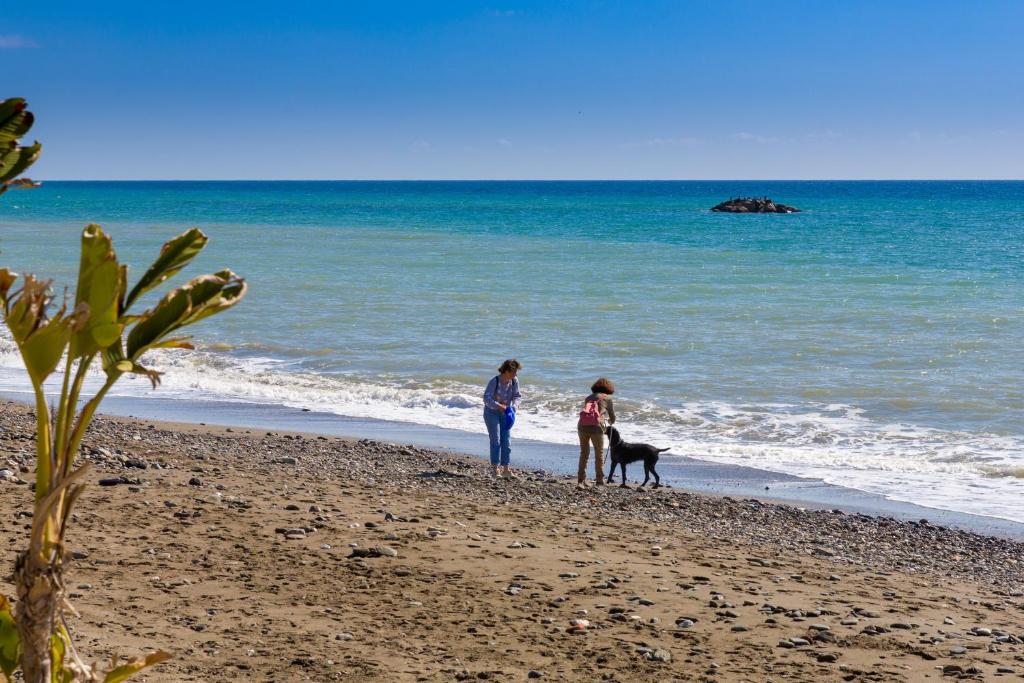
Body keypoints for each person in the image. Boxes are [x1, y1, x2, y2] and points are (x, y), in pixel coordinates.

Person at [483, 359, 522, 479]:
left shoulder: (514, 381)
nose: (516, 374)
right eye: (513, 372)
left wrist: (514, 407)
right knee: (496, 439)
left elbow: (517, 396)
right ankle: (495, 469)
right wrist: (498, 406)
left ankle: (506, 468)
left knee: (506, 440)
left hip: (506, 413)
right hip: (491, 412)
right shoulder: (494, 381)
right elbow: (486, 398)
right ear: (506, 371)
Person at [576, 377, 616, 489]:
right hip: (596, 428)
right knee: (599, 454)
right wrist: (611, 421)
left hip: (582, 426)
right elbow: (612, 415)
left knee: (584, 453)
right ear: (608, 388)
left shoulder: (588, 397)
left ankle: (581, 480)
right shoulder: (607, 398)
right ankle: (599, 481)